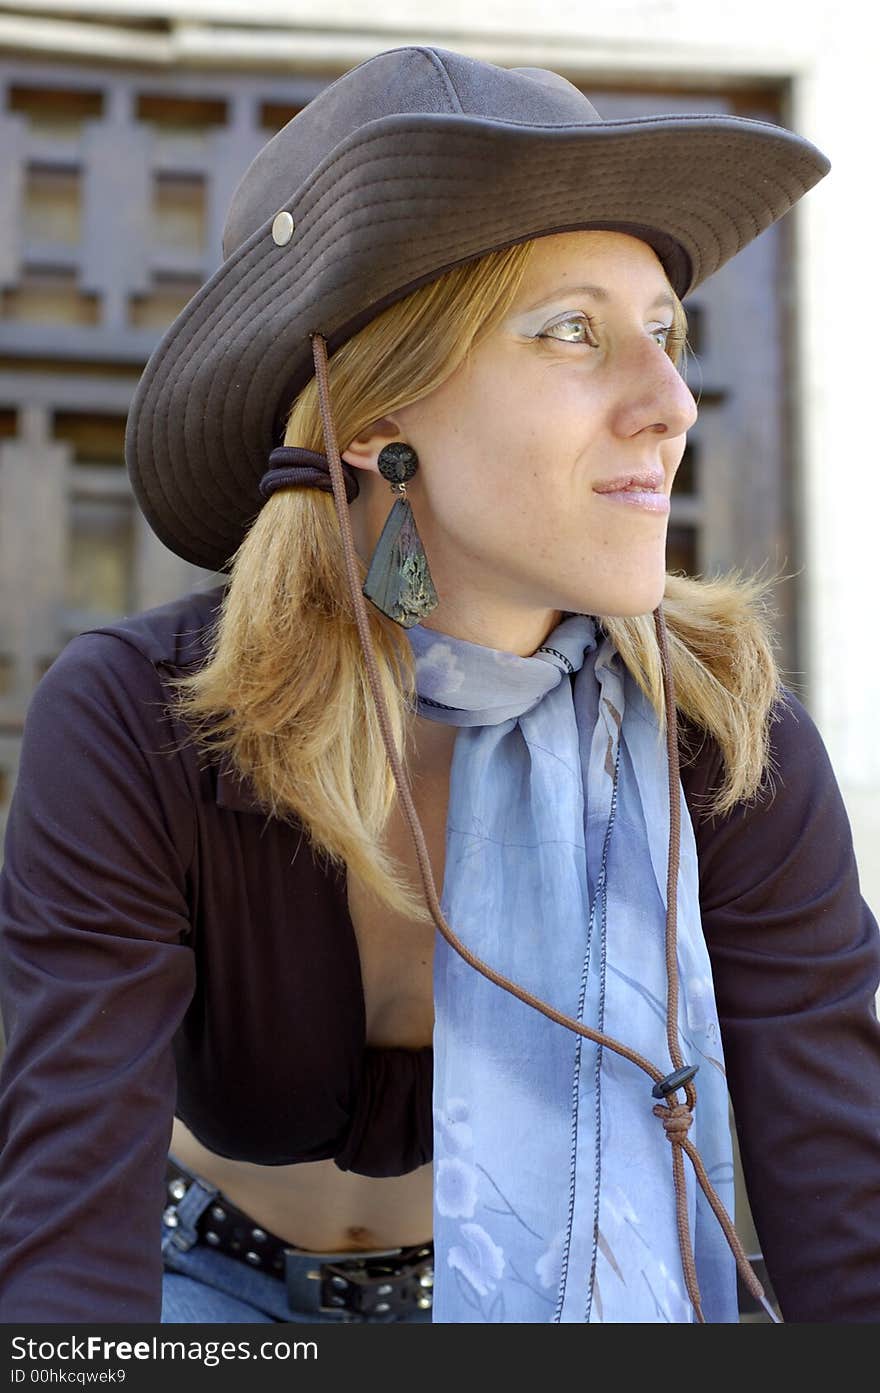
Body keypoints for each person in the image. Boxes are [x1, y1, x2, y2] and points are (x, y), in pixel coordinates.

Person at [1, 44, 878, 1326]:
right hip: (200, 1292)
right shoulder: (140, 727)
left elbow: (842, 1228)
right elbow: (63, 1259)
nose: (672, 402)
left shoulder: (727, 741)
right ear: (371, 415)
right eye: (575, 330)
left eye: (664, 333)